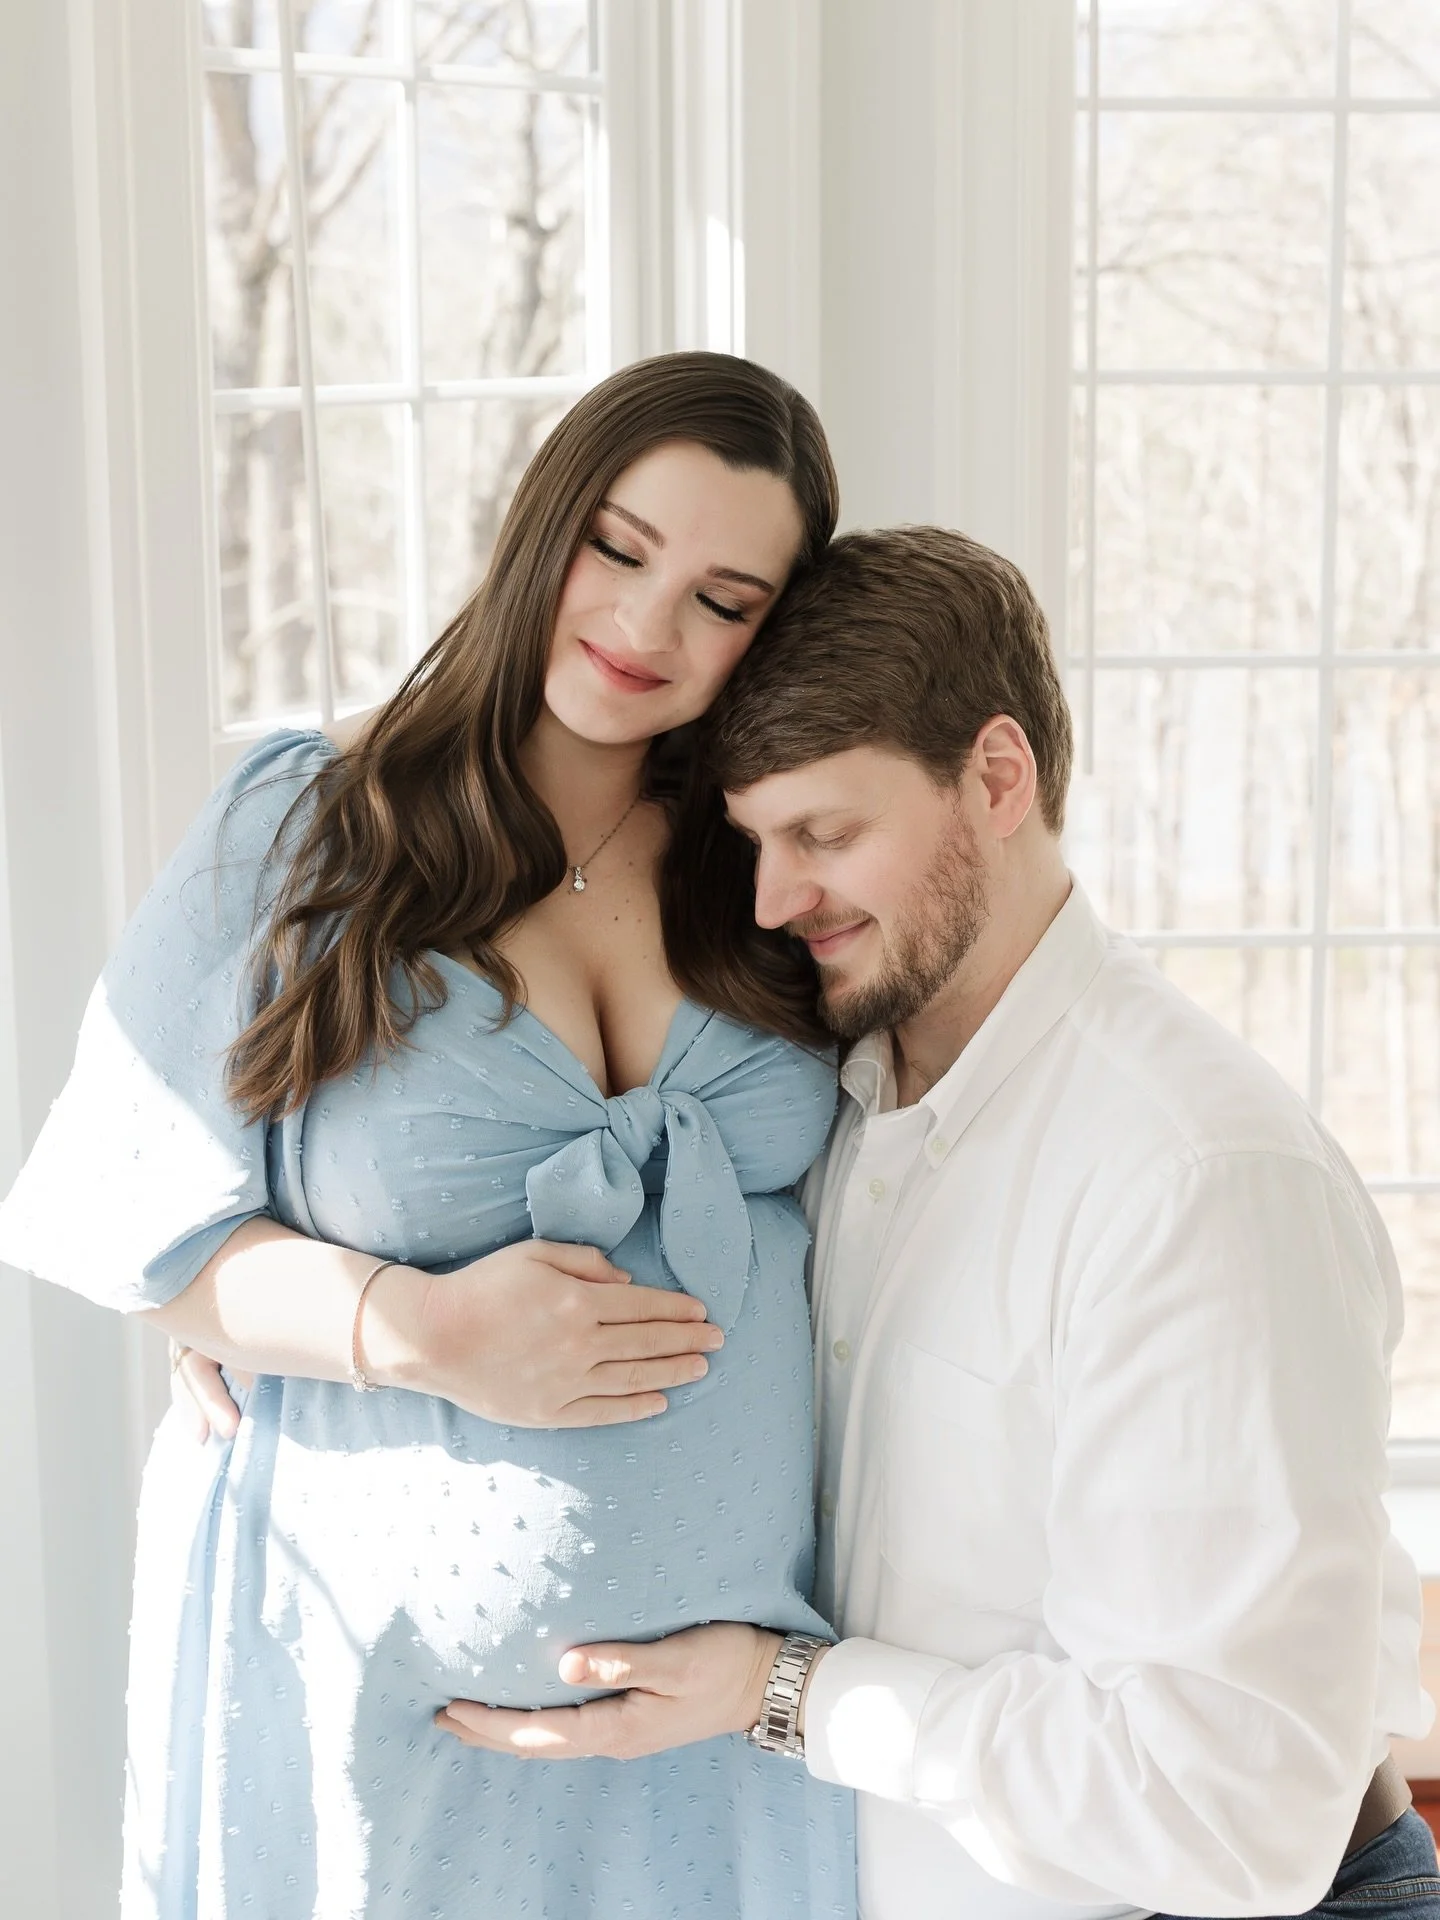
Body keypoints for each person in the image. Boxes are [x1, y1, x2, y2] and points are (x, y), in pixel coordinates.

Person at [436, 528, 1439, 1920]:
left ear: (999, 777)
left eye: (828, 836)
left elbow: (1228, 1808)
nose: (778, 901)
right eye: (754, 843)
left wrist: (786, 1693)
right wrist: (298, 1314)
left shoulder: (1198, 1177)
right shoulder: (826, 1099)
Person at [0, 353, 859, 1920]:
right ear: (546, 523)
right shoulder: (307, 823)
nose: (647, 628)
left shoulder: (764, 865)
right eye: (620, 547)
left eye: (724, 599)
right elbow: (127, 1230)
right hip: (372, 1708)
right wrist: (415, 1330)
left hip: (727, 1727)